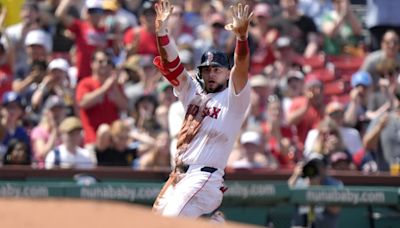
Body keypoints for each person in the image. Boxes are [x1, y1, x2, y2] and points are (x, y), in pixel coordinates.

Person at [151, 0, 252, 218]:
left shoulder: (234, 99)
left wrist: (241, 39)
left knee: (169, 221)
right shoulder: (192, 90)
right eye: (207, 70)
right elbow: (172, 65)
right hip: (177, 175)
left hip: (204, 176)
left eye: (217, 69)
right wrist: (161, 32)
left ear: (227, 73)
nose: (211, 74)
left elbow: (242, 65)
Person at [288, 157, 343, 228]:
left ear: (324, 168)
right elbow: (285, 193)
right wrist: (295, 175)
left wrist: (318, 190)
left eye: (318, 166)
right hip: (300, 224)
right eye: (312, 166)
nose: (315, 170)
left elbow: (336, 209)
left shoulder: (334, 184)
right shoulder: (301, 182)